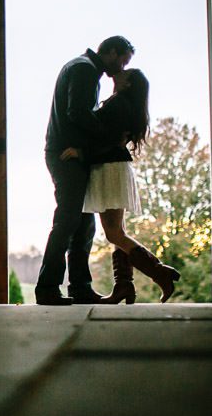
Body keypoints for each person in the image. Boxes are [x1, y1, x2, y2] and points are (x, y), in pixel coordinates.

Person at [60, 68, 181, 303]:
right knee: (119, 232)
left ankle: (159, 273)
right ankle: (124, 286)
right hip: (115, 168)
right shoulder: (125, 104)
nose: (120, 72)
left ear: (127, 84)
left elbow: (107, 139)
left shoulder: (118, 105)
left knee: (114, 234)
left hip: (109, 168)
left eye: (126, 73)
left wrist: (80, 151)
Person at [35, 36, 135, 306]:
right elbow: (77, 113)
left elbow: (80, 113)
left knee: (84, 223)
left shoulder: (82, 67)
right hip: (65, 155)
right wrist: (109, 137)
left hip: (70, 154)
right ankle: (47, 287)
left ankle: (80, 287)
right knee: (68, 220)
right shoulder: (85, 69)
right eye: (124, 59)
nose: (124, 67)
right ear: (112, 52)